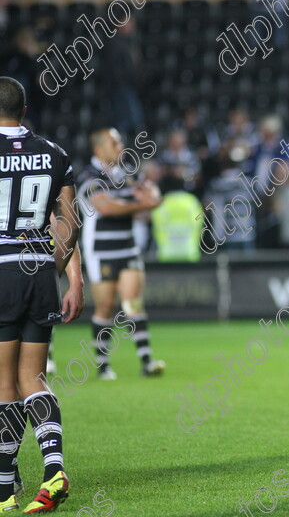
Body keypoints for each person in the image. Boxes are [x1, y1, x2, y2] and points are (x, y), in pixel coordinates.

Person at [0, 76, 83, 512]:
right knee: (33, 378)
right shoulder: (54, 154)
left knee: (3, 383)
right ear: (25, 111)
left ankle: (4, 490)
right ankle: (52, 470)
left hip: (1, 272)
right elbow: (70, 221)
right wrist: (60, 266)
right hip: (38, 274)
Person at [77, 128, 165, 380]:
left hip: (127, 246)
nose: (120, 146)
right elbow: (105, 206)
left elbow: (151, 194)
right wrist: (141, 204)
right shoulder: (88, 175)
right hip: (101, 250)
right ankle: (103, 365)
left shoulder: (128, 172)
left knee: (133, 303)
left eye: (119, 142)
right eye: (113, 143)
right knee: (105, 306)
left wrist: (145, 201)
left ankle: (147, 361)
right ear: (99, 150)